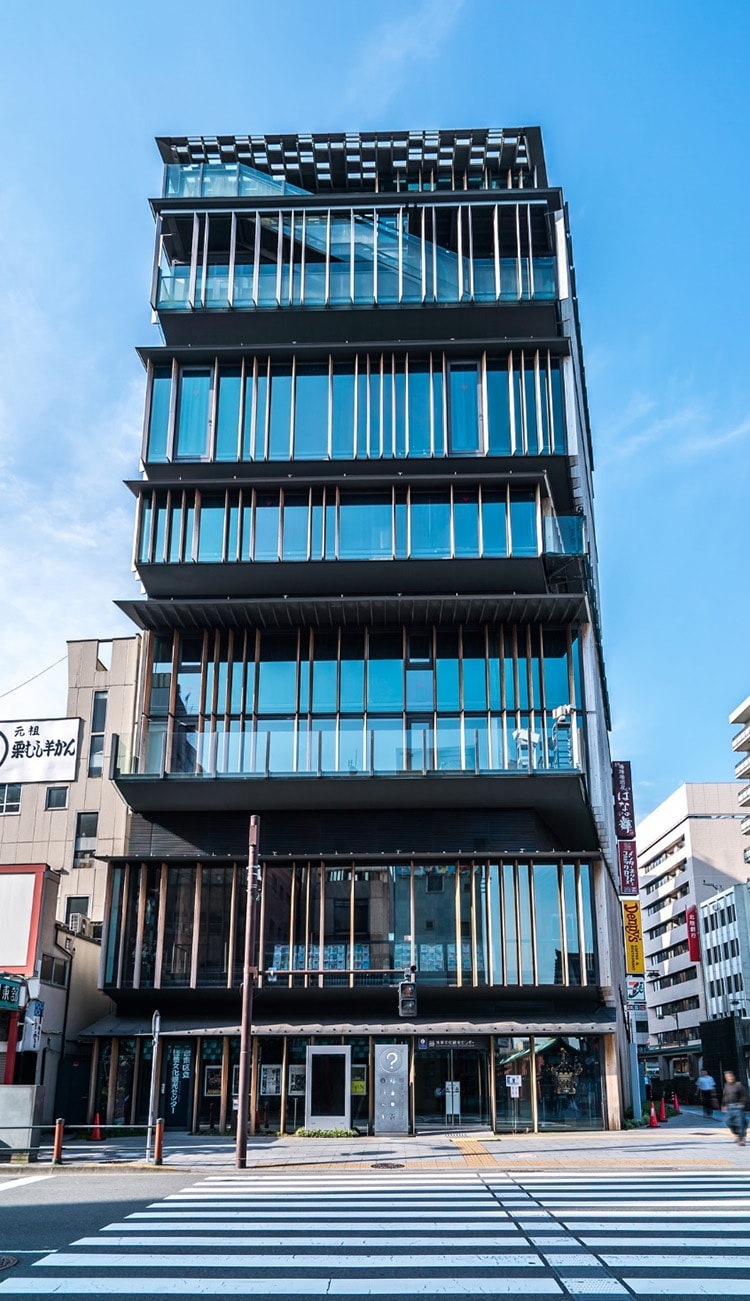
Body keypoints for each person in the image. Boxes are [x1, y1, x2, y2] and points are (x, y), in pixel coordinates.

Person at [722, 1071, 748, 1145]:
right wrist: (723, 1105)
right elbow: (725, 1096)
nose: (729, 1078)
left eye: (730, 1076)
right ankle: (737, 1133)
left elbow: (744, 1095)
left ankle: (741, 1138)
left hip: (738, 1106)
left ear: (733, 1076)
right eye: (727, 1077)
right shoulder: (726, 1086)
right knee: (728, 1121)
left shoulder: (738, 1085)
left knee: (740, 1122)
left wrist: (742, 1103)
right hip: (729, 1107)